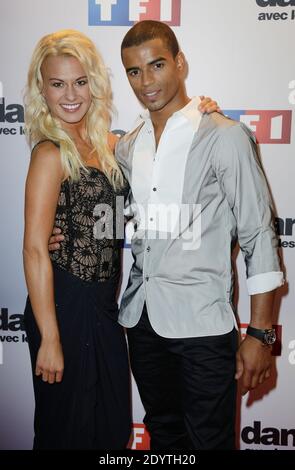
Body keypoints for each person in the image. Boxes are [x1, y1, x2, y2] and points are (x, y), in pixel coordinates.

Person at [115, 20, 284, 450]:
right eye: (134, 71)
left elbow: (259, 235)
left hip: (203, 328)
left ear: (180, 63)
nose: (146, 81)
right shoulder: (127, 146)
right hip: (142, 322)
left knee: (208, 443)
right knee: (165, 439)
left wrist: (261, 335)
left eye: (156, 65)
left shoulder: (224, 136)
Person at [22, 29, 132, 450]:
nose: (70, 94)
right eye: (58, 83)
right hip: (63, 307)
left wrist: (201, 110)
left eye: (80, 81)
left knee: (111, 428)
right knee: (66, 429)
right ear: (42, 90)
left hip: (104, 306)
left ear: (95, 84)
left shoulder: (113, 146)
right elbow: (34, 248)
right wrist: (50, 337)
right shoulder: (50, 153)